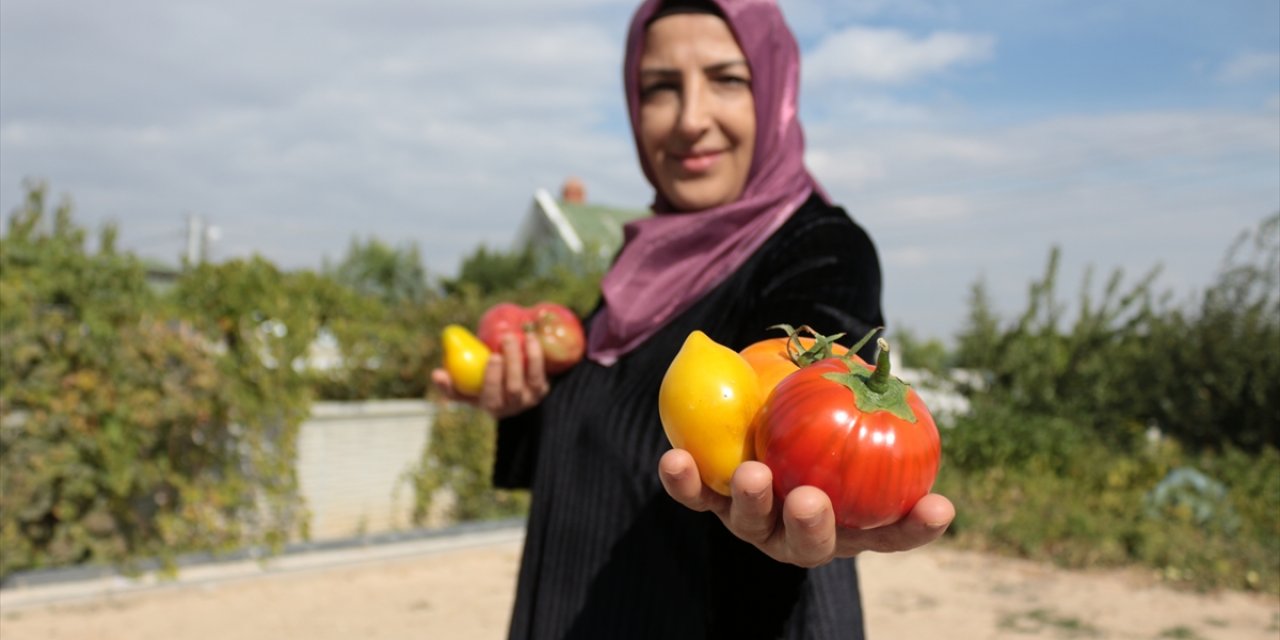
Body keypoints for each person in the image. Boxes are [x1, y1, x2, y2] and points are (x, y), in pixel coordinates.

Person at [432, 0, 956, 637]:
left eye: (727, 79)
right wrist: (523, 400)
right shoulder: (645, 261)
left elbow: (809, 379)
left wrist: (812, 492)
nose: (689, 119)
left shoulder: (821, 249)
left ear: (776, 91)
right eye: (659, 88)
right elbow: (609, 432)